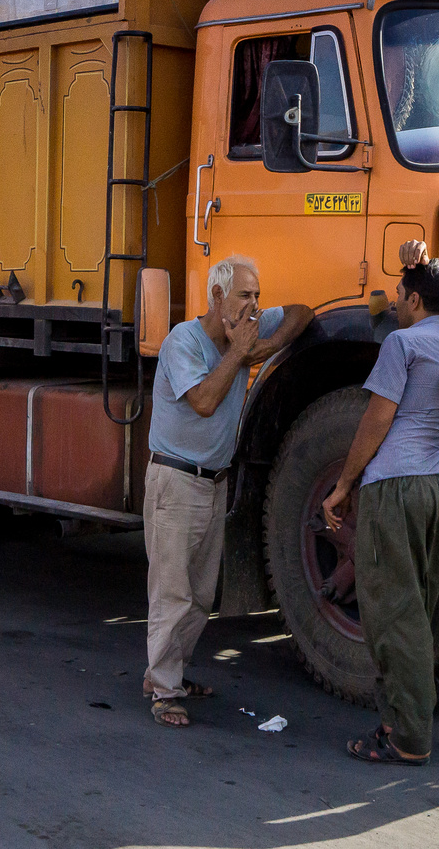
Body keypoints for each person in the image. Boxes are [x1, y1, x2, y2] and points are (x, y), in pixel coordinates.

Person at [322, 241, 439, 765]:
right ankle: (396, 720)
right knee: (423, 611)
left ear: (414, 300)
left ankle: (409, 738)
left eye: (399, 295)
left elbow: (378, 418)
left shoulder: (403, 345)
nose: (393, 303)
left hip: (398, 487)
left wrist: (344, 485)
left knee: (393, 615)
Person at [143, 255, 312, 728]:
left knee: (199, 594)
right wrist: (241, 353)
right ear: (218, 298)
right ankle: (163, 689)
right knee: (171, 592)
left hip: (213, 481)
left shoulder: (250, 328)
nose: (255, 305)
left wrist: (265, 346)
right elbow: (203, 401)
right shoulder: (184, 341)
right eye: (245, 296)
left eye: (258, 295)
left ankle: (168, 674)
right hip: (175, 481)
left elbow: (303, 313)